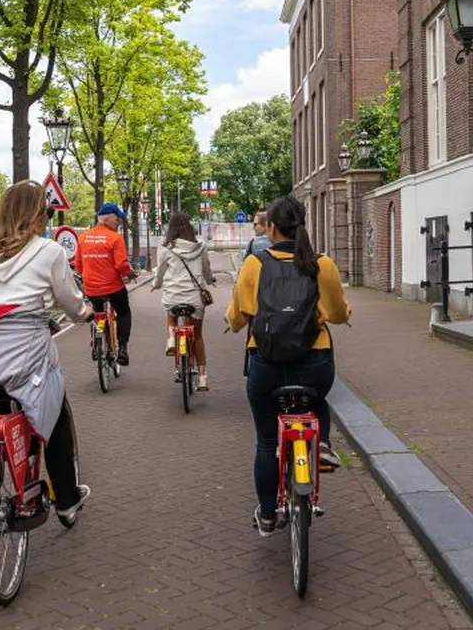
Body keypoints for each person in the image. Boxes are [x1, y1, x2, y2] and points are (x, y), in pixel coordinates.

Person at [0, 181, 94, 526]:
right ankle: (66, 500)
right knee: (56, 414)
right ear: (38, 215)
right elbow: (70, 301)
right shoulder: (49, 252)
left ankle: (3, 461)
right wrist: (85, 313)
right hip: (26, 357)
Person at [226, 196, 351, 536]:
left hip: (266, 364)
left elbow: (237, 315)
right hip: (315, 364)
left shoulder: (255, 263)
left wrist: (233, 322)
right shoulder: (321, 264)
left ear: (271, 228)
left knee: (267, 442)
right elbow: (338, 314)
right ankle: (321, 443)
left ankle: (267, 515)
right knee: (317, 400)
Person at [152, 212, 217, 391]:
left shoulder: (165, 247)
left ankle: (172, 338)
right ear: (190, 227)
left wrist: (156, 284)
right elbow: (206, 269)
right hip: (195, 299)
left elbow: (160, 273)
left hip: (173, 296)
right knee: (197, 335)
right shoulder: (200, 246)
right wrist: (210, 281)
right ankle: (203, 377)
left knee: (170, 310)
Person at [73, 202, 137, 365]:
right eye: (117, 220)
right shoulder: (115, 238)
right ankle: (122, 348)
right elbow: (121, 264)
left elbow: (78, 265)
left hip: (92, 289)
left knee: (97, 311)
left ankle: (96, 343)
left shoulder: (83, 238)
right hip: (113, 288)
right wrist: (129, 274)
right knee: (123, 312)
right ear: (107, 219)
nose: (118, 223)